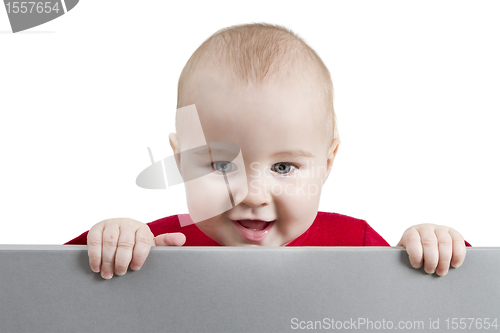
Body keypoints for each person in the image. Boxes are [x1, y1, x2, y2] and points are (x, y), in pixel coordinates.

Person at [65, 22, 470, 280]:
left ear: (327, 164)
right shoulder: (157, 247)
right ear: (180, 160)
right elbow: (40, 289)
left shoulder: (355, 243)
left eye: (283, 166)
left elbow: (453, 300)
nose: (253, 194)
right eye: (222, 164)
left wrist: (435, 248)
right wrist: (108, 244)